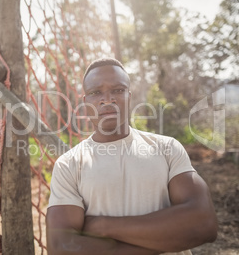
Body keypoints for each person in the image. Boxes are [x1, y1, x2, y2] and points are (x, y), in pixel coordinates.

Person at [46, 57, 218, 254]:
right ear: (85, 102)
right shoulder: (69, 164)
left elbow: (204, 223)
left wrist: (102, 226)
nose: (107, 99)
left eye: (118, 90)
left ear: (129, 95)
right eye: (95, 92)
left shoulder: (167, 147)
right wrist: (166, 241)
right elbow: (61, 247)